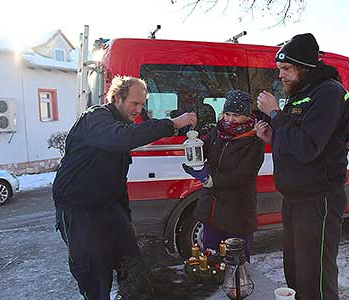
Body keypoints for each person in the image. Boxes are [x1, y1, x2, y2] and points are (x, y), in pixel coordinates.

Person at [52, 75, 197, 300]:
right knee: (95, 274)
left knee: (132, 266)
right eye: (134, 103)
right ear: (118, 98)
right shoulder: (96, 118)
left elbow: (117, 181)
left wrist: (124, 218)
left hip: (108, 207)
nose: (139, 110)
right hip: (80, 210)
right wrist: (172, 124)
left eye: (142, 104)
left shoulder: (120, 125)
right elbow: (120, 139)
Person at [255, 33, 349, 300]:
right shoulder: (302, 94)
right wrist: (273, 137)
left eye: (286, 69)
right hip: (295, 199)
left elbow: (308, 148)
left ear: (304, 67)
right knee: (296, 274)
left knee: (315, 277)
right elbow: (294, 140)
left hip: (318, 200)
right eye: (280, 70)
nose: (281, 76)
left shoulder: (329, 94)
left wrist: (276, 114)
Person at [182, 90, 265, 259]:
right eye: (227, 114)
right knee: (211, 257)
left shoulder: (254, 141)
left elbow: (243, 175)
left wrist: (212, 180)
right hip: (212, 208)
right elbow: (202, 150)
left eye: (235, 115)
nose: (229, 119)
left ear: (247, 116)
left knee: (235, 262)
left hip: (237, 211)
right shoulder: (218, 132)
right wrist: (192, 146)